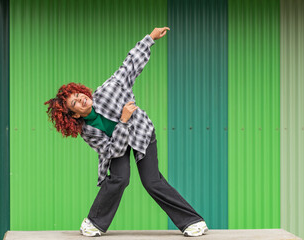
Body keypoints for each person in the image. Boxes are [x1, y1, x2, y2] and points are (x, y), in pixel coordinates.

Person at [44, 27, 208, 237]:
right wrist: (122, 121)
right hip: (119, 144)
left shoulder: (108, 90)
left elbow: (129, 66)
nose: (81, 98)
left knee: (152, 181)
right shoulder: (88, 131)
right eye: (75, 102)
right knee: (119, 178)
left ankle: (193, 221)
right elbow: (113, 150)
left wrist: (149, 39)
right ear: (74, 115)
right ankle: (93, 223)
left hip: (141, 133)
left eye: (78, 94)